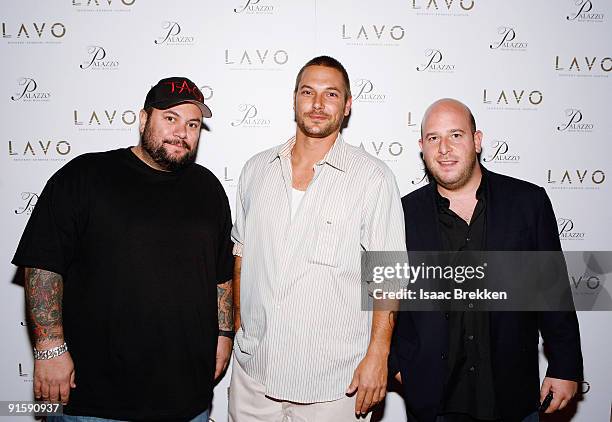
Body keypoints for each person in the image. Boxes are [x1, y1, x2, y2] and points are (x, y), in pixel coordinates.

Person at [12, 77, 235, 421]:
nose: (182, 132)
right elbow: (43, 264)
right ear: (144, 120)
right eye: (170, 118)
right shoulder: (84, 176)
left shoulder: (208, 188)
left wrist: (223, 335)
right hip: (94, 400)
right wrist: (48, 348)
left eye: (192, 124)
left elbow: (221, 274)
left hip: (186, 400)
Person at [228, 56, 406, 421]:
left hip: (335, 386)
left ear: (348, 105)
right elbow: (241, 253)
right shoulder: (256, 170)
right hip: (253, 377)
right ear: (295, 99)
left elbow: (388, 275)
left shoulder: (372, 178)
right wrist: (240, 330)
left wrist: (378, 355)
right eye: (308, 92)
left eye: (331, 94)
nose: (318, 104)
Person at [389, 98, 583, 422]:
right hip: (434, 403)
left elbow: (554, 291)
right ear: (422, 147)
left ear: (477, 141)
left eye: (456, 135)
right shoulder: (399, 214)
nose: (445, 149)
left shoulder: (527, 203)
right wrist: (395, 365)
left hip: (511, 397)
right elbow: (380, 298)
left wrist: (565, 366)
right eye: (434, 138)